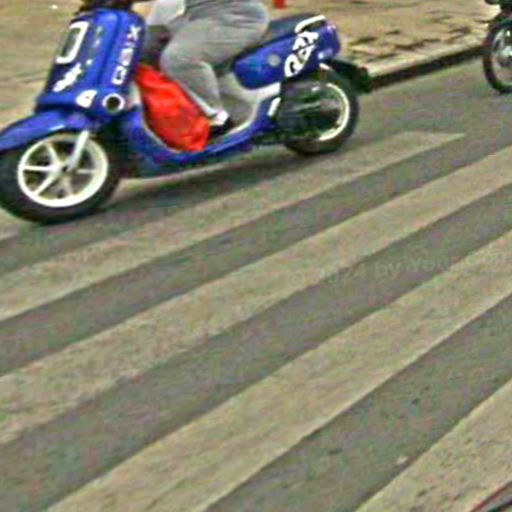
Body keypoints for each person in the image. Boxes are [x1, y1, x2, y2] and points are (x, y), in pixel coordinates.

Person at [141, 0, 270, 139]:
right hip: (189, 15)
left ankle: (216, 118)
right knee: (140, 51)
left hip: (234, 16)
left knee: (180, 59)